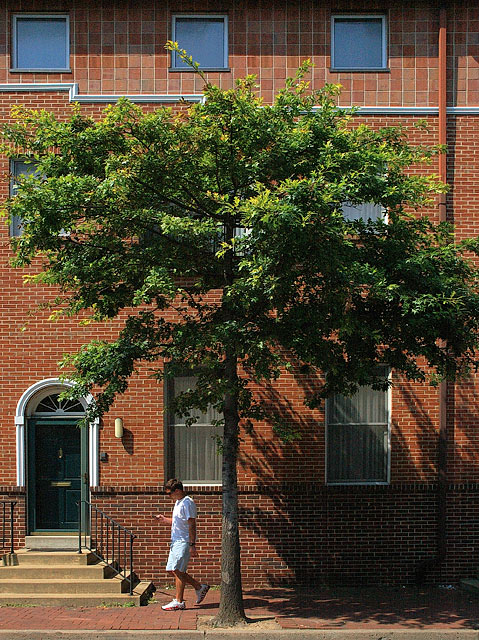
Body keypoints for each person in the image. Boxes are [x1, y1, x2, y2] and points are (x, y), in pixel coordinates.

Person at [155, 478, 210, 611]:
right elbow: (178, 522)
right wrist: (164, 520)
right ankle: (198, 586)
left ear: (178, 490)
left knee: (178, 570)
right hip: (175, 541)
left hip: (183, 541)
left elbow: (191, 524)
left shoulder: (187, 503)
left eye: (170, 493)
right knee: (171, 570)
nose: (168, 496)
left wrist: (192, 544)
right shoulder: (178, 502)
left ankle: (179, 601)